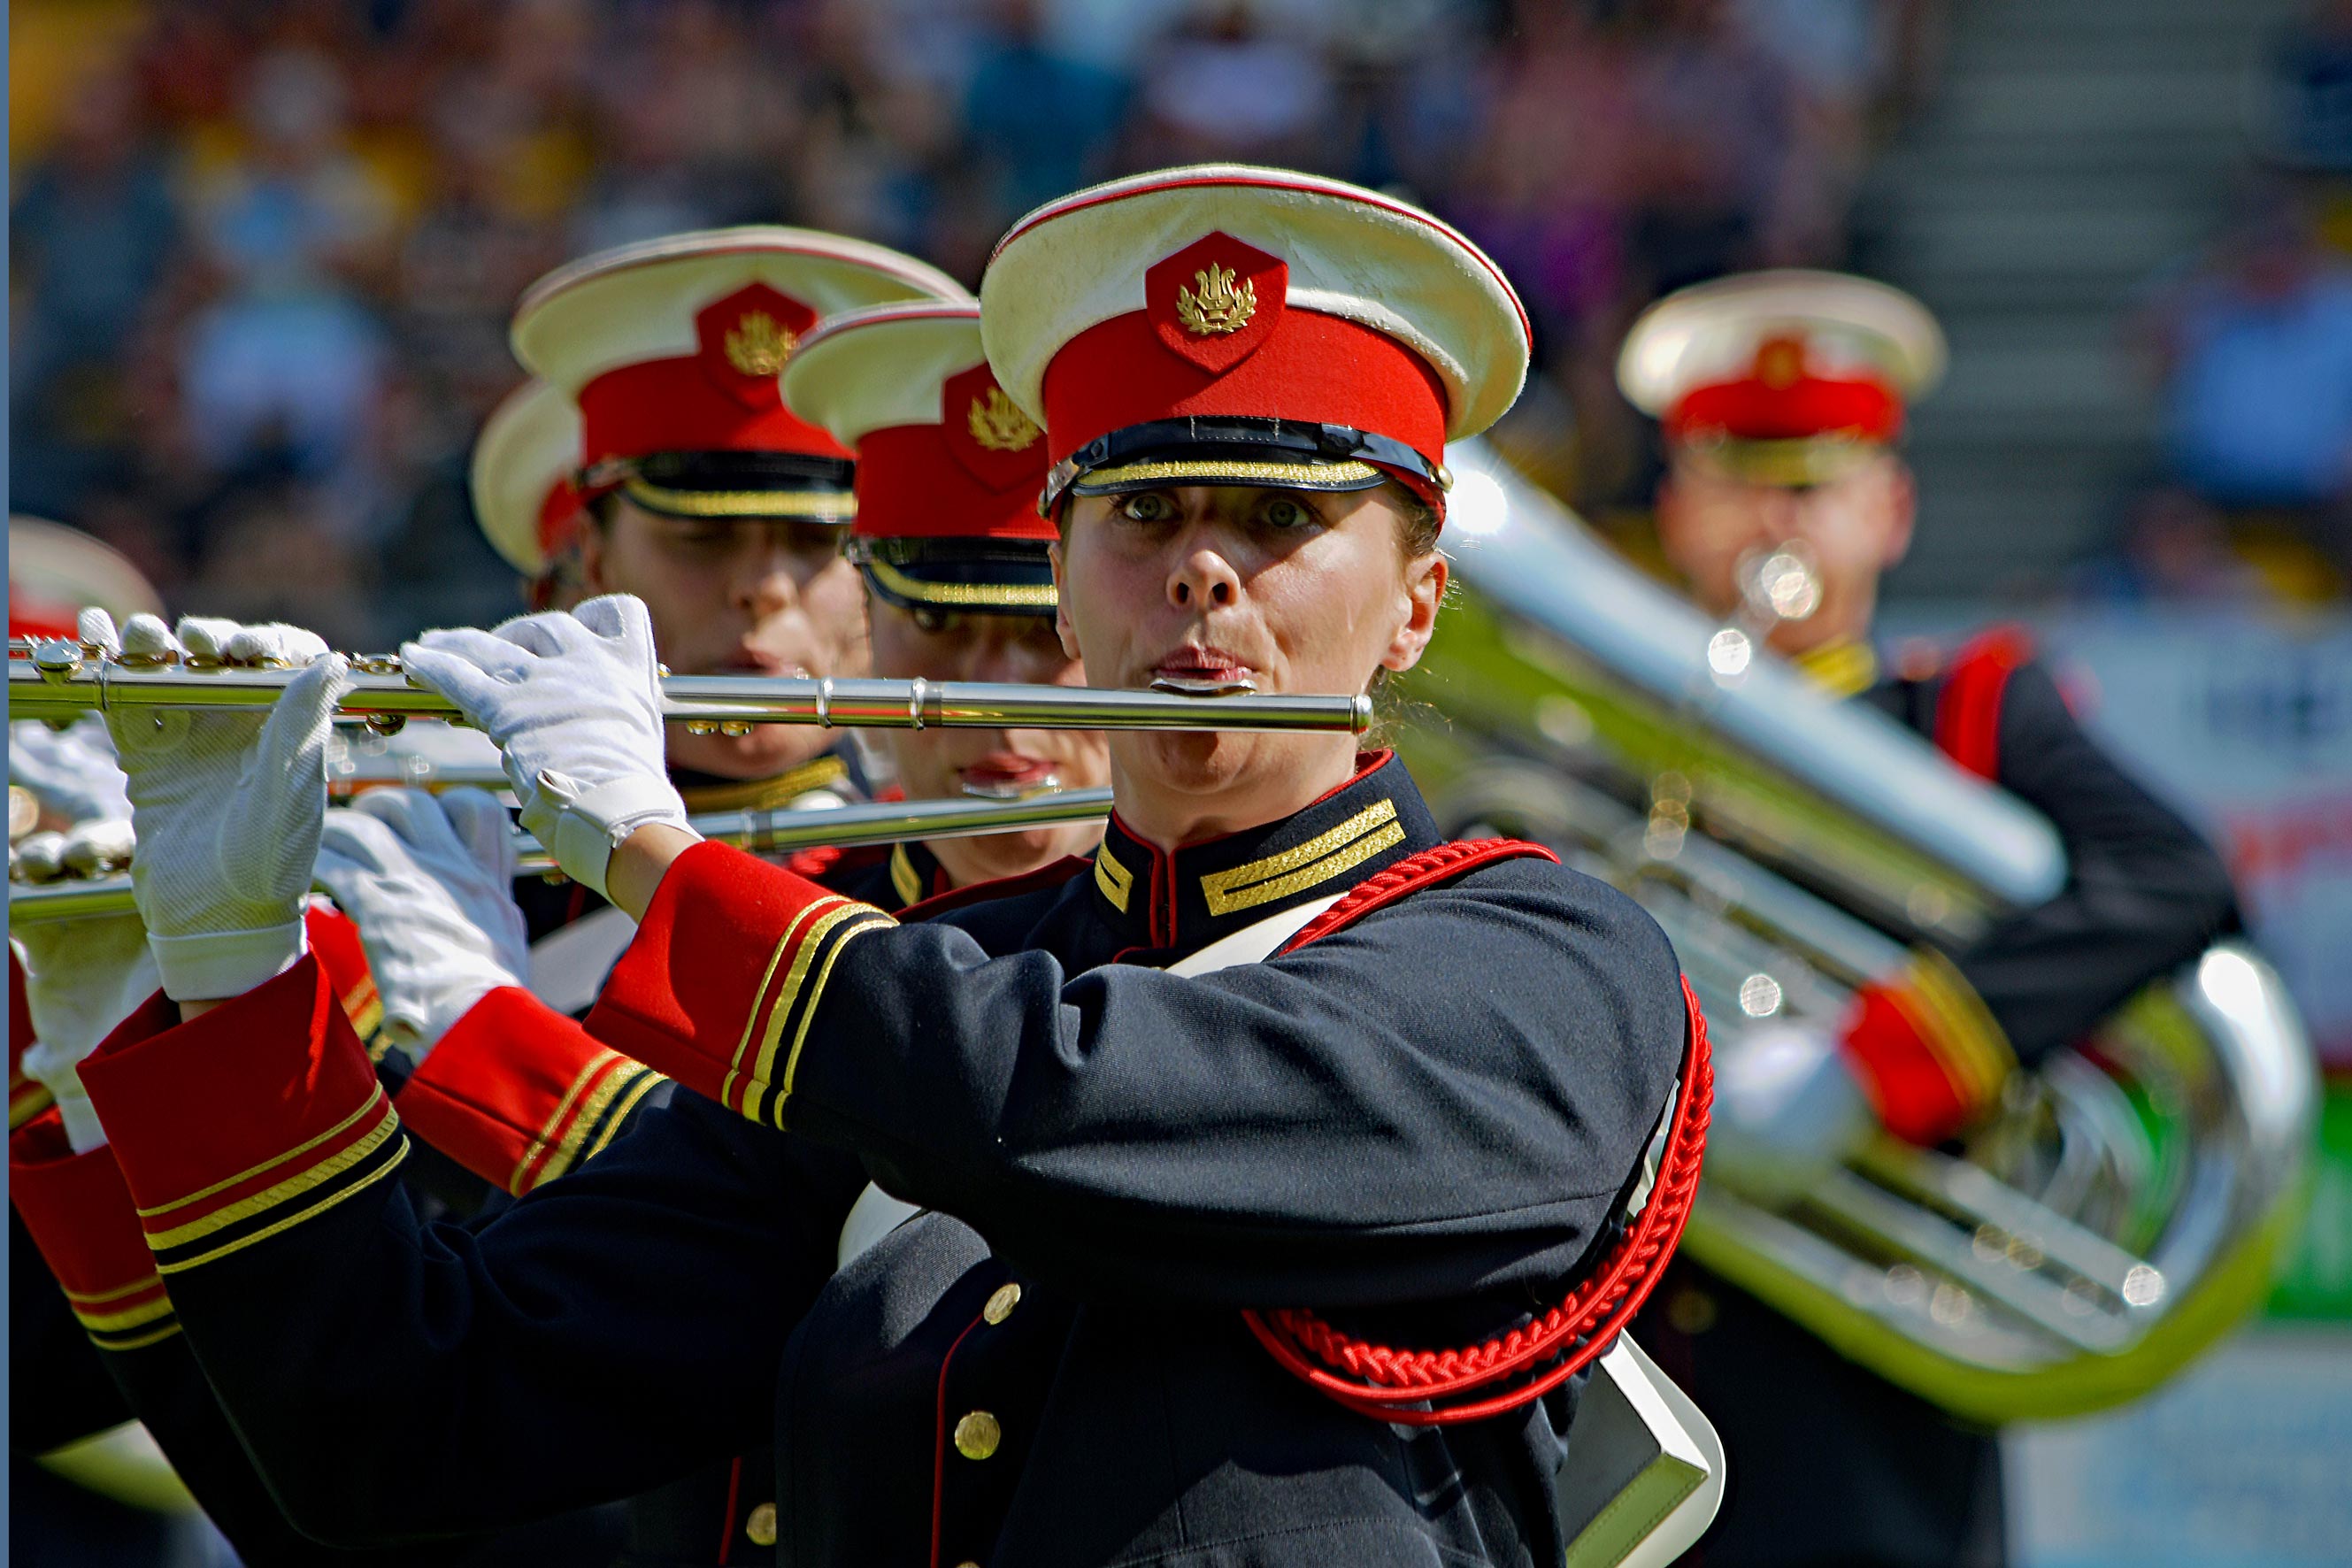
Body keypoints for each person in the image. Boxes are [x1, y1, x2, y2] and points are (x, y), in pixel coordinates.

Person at [17, 165, 1702, 1567]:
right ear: (1062, 576)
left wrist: (655, 864)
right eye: (1137, 516)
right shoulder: (913, 994)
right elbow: (404, 1429)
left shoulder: (1543, 955)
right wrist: (219, 973)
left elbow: (1087, 1096)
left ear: (1413, 596)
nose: (1198, 572)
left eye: (1277, 524)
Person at [1617, 268, 2242, 1567]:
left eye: (1811, 485)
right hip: (1626, 1363)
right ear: (1675, 511)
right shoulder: (1602, 748)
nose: (1770, 524)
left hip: (1877, 1370)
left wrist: (1870, 1069)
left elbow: (2173, 876)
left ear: (1889, 511)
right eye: (1734, 481)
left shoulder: (1970, 713)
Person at [779, 296, 1109, 904]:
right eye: (939, 619)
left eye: (1050, 626)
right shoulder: (786, 923)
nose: (998, 693)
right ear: (867, 626)